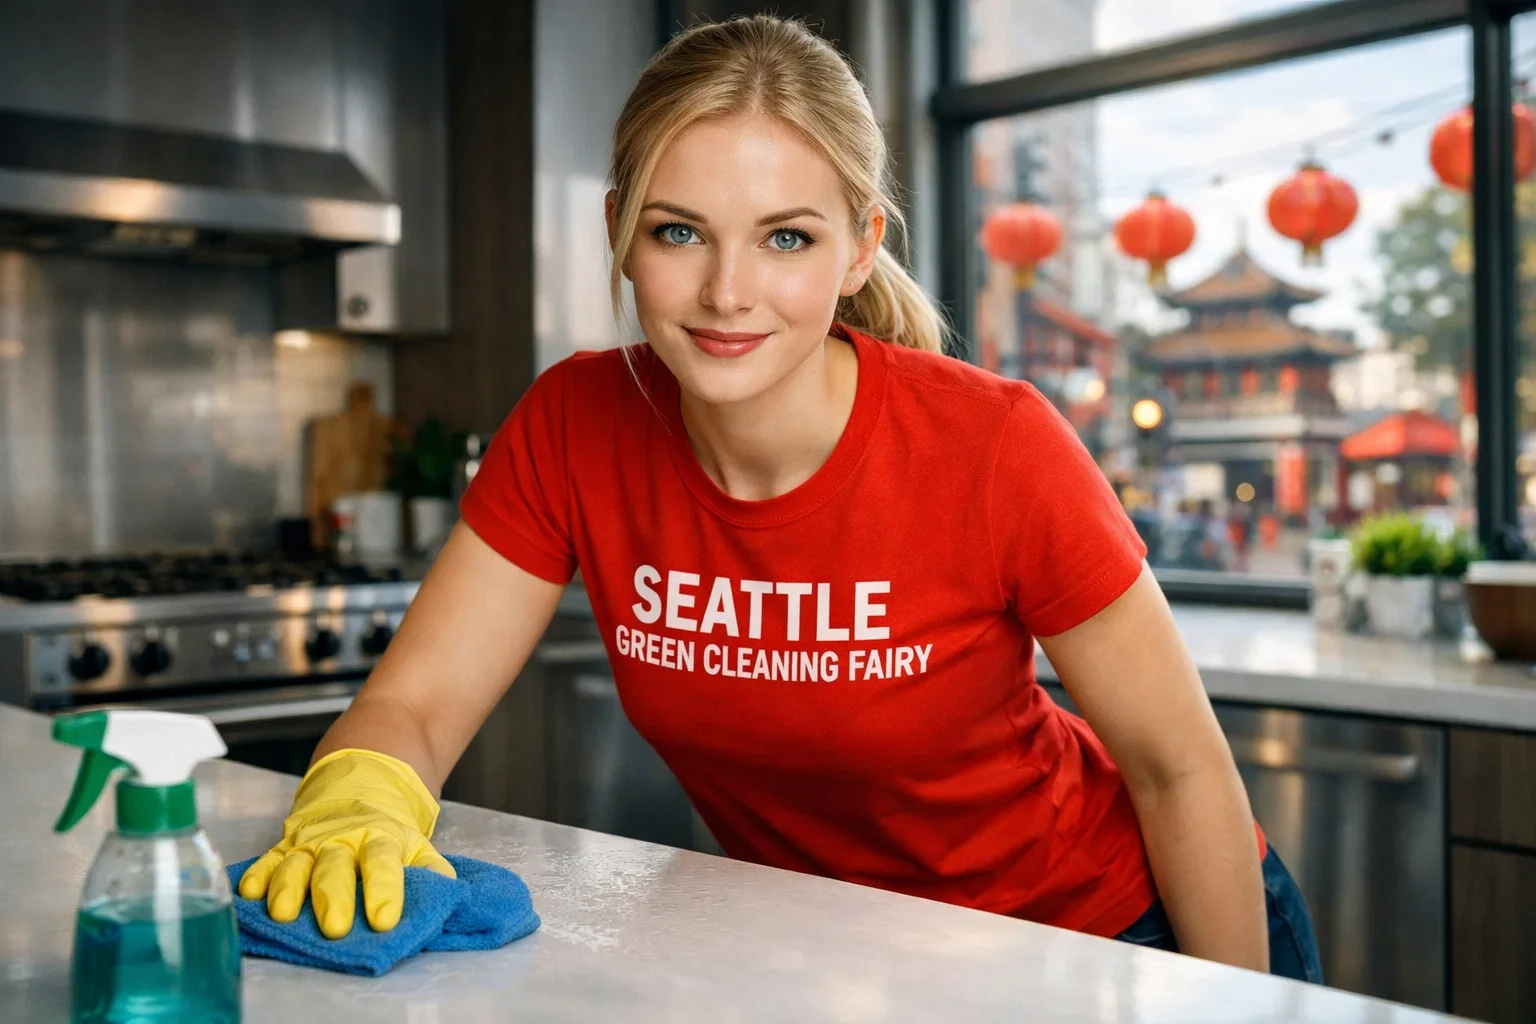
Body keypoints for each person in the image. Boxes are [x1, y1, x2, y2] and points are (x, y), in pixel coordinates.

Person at [237, 15, 1321, 981]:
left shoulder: (994, 444)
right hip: (832, 952)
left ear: (860, 247)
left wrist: (1231, 1000)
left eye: (786, 237)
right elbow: (417, 704)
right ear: (619, 230)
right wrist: (361, 790)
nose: (726, 291)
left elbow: (1178, 769)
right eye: (678, 231)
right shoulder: (575, 422)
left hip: (1108, 937)